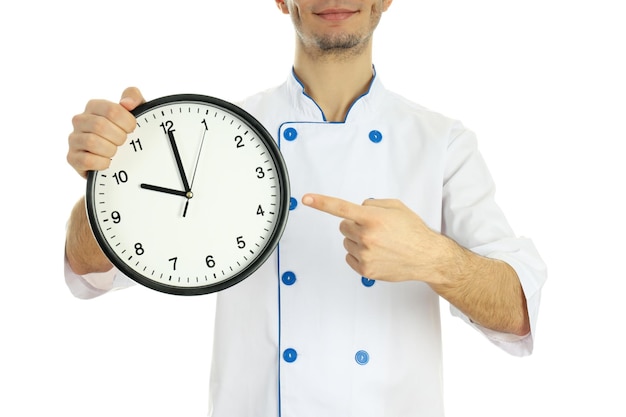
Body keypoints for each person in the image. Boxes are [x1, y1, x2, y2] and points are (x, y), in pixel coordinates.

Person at [64, 1, 547, 416]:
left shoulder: (442, 143)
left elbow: (518, 312)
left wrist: (431, 257)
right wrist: (106, 174)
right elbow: (91, 266)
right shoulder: (221, 133)